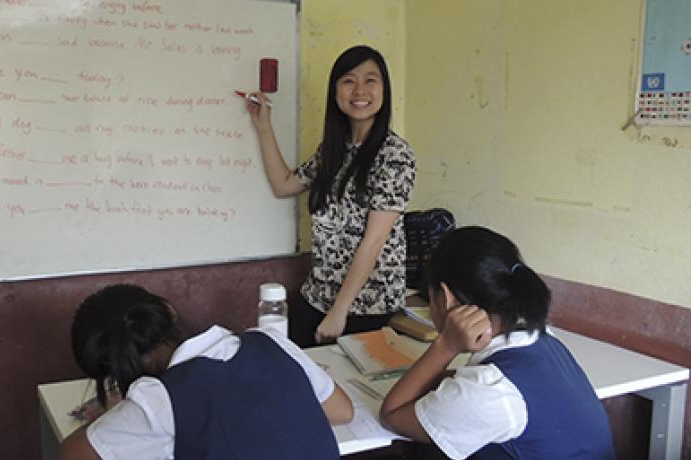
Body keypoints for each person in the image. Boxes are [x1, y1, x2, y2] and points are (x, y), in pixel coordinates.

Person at [379, 226, 615, 460]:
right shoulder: (540, 339)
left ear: (446, 297)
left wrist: (446, 346)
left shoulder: (489, 389)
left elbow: (393, 415)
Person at [59, 284, 353, 460]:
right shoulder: (268, 340)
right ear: (168, 310)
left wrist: (119, 412)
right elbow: (342, 411)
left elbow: (73, 454)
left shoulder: (159, 400)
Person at [247, 45, 417, 347]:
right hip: (319, 294)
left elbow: (374, 240)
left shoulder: (395, 154)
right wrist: (263, 126)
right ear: (335, 92)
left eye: (370, 80)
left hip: (365, 304)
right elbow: (284, 184)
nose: (359, 90)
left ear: (384, 90)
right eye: (349, 80)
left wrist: (340, 311)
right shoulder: (333, 150)